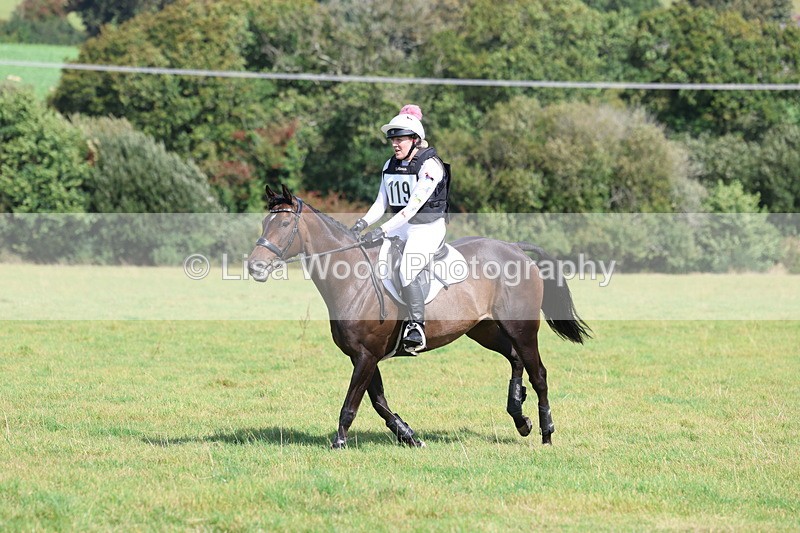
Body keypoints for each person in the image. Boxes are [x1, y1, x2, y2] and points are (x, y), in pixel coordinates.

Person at [350, 104, 451, 353]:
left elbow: (411, 209)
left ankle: (416, 327)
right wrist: (362, 223)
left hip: (427, 228)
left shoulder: (430, 166)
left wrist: (382, 230)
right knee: (370, 258)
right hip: (401, 226)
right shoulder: (390, 165)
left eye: (400, 139)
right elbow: (381, 203)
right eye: (393, 140)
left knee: (407, 270)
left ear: (415, 140)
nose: (395, 144)